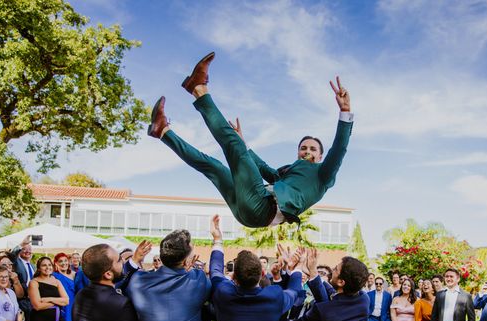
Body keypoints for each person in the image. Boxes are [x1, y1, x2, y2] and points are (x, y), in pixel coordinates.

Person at [147, 52, 353, 228]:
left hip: (262, 208)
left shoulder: (323, 175)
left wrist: (345, 111)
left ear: (320, 156)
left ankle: (199, 89)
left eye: (312, 149)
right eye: (303, 147)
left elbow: (340, 149)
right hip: (247, 210)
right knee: (214, 167)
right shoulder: (286, 176)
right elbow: (263, 168)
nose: (307, 151)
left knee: (233, 146)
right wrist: (244, 142)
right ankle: (163, 131)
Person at [11, 237, 35, 321]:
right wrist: (22, 244)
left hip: (32, 300)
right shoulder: (16, 262)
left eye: (29, 250)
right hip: (21, 300)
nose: (27, 252)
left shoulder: (32, 265)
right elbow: (12, 254)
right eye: (25, 250)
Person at [52, 253, 76, 321]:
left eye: (65, 260)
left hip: (74, 303)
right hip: (62, 304)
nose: (64, 263)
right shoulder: (54, 276)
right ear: (56, 263)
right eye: (60, 261)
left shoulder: (74, 274)